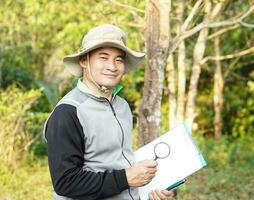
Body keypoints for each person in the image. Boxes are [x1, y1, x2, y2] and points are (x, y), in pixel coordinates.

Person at [43, 24, 174, 200]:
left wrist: (149, 190)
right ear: (84, 61)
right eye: (103, 58)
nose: (112, 66)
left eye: (119, 60)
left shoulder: (122, 106)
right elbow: (66, 182)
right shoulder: (68, 113)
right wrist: (126, 178)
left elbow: (118, 162)